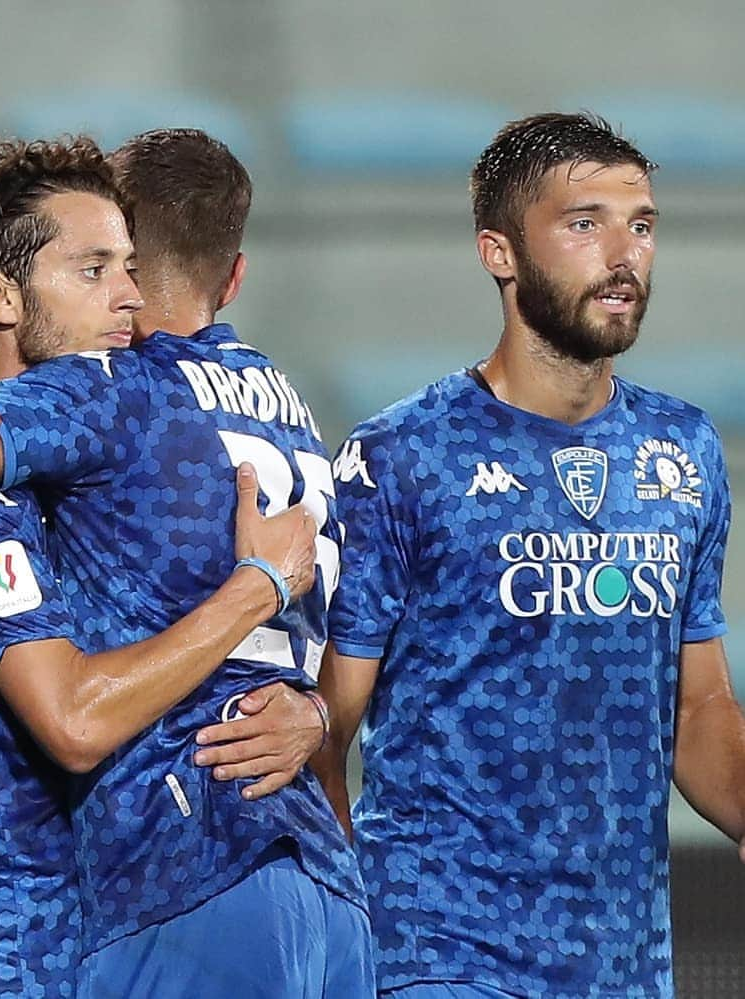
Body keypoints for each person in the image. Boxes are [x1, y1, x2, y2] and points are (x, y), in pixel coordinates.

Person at [0, 129, 373, 998]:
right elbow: (76, 721)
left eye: (129, 265)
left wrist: (302, 709)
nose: (129, 297)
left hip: (91, 928)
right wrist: (252, 591)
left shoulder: (75, 475)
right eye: (94, 271)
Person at [312, 111, 745, 999]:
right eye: (584, 223)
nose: (622, 252)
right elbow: (326, 724)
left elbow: (698, 706)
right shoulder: (402, 454)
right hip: (440, 951)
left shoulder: (684, 450)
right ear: (497, 253)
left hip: (623, 961)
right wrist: (341, 922)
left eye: (642, 224)